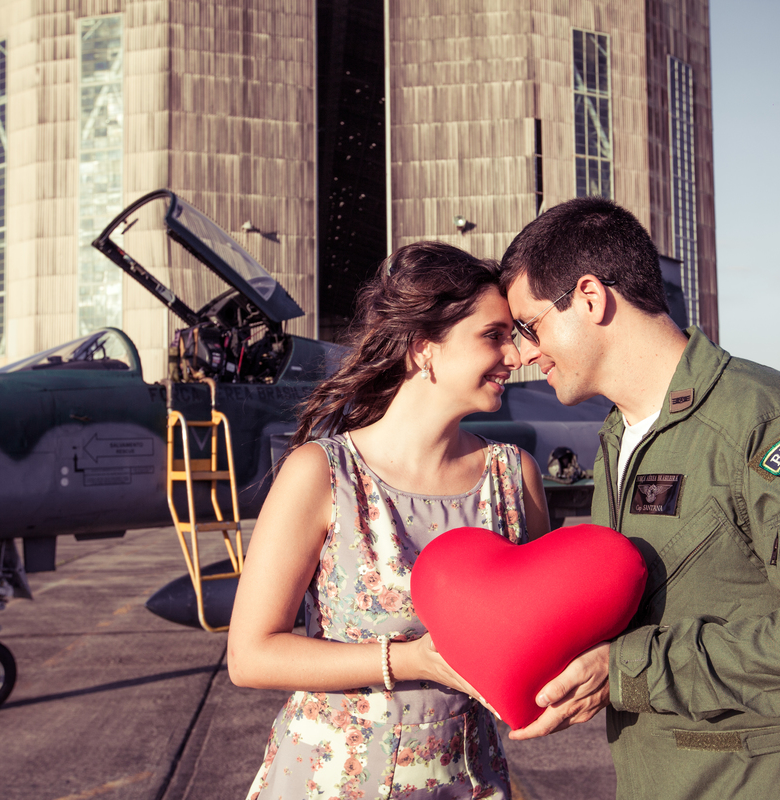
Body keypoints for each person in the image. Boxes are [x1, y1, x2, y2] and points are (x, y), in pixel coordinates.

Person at [497, 197, 780, 799]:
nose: (520, 354)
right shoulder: (620, 435)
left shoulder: (770, 421)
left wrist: (629, 670)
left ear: (590, 297)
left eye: (528, 326)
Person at [228, 241, 551, 799]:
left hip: (467, 781)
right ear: (425, 349)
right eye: (493, 336)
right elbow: (251, 655)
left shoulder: (513, 476)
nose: (517, 356)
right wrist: (409, 659)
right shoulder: (321, 473)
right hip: (332, 782)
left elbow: (540, 633)